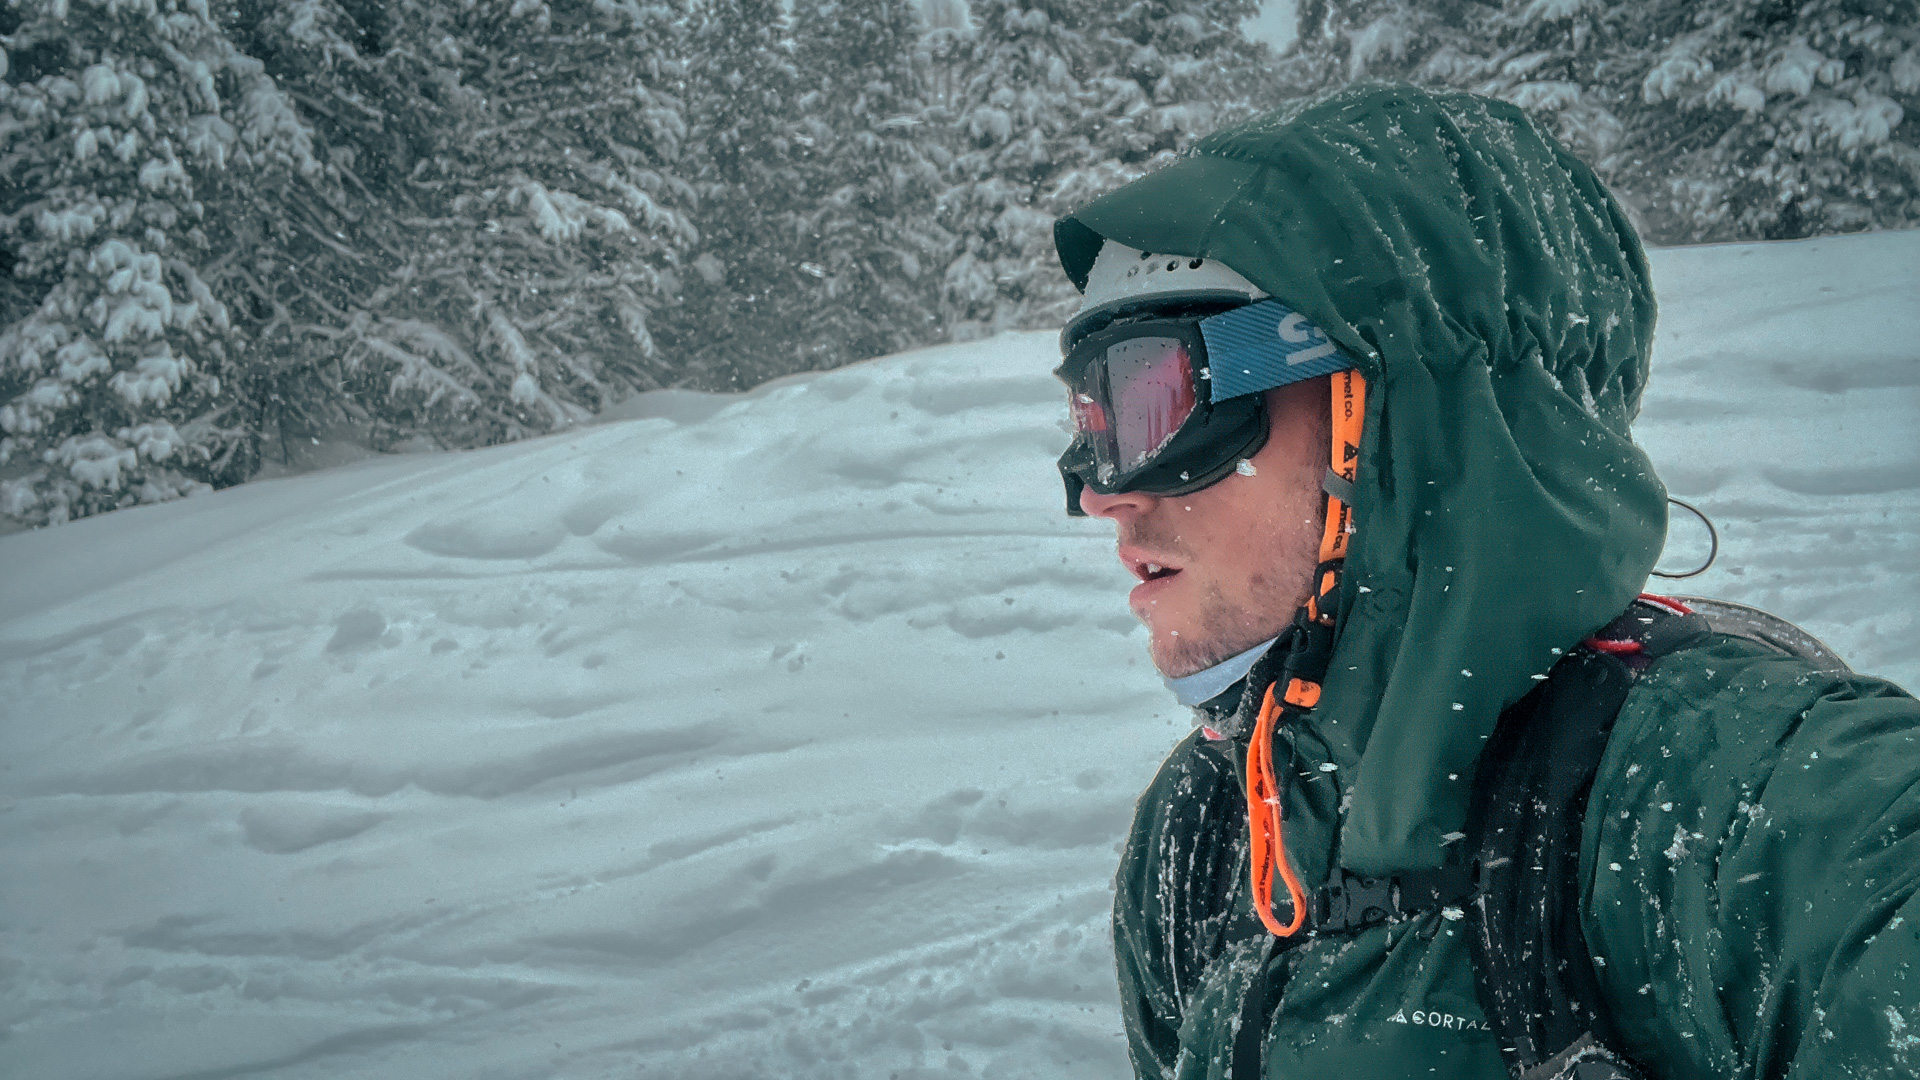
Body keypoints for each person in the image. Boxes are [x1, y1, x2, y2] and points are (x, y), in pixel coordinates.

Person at [1049, 84, 1920, 1080]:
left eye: (1152, 399)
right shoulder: (1204, 837)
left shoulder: (1732, 803)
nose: (1100, 495)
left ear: (1391, 414)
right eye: (1091, 421)